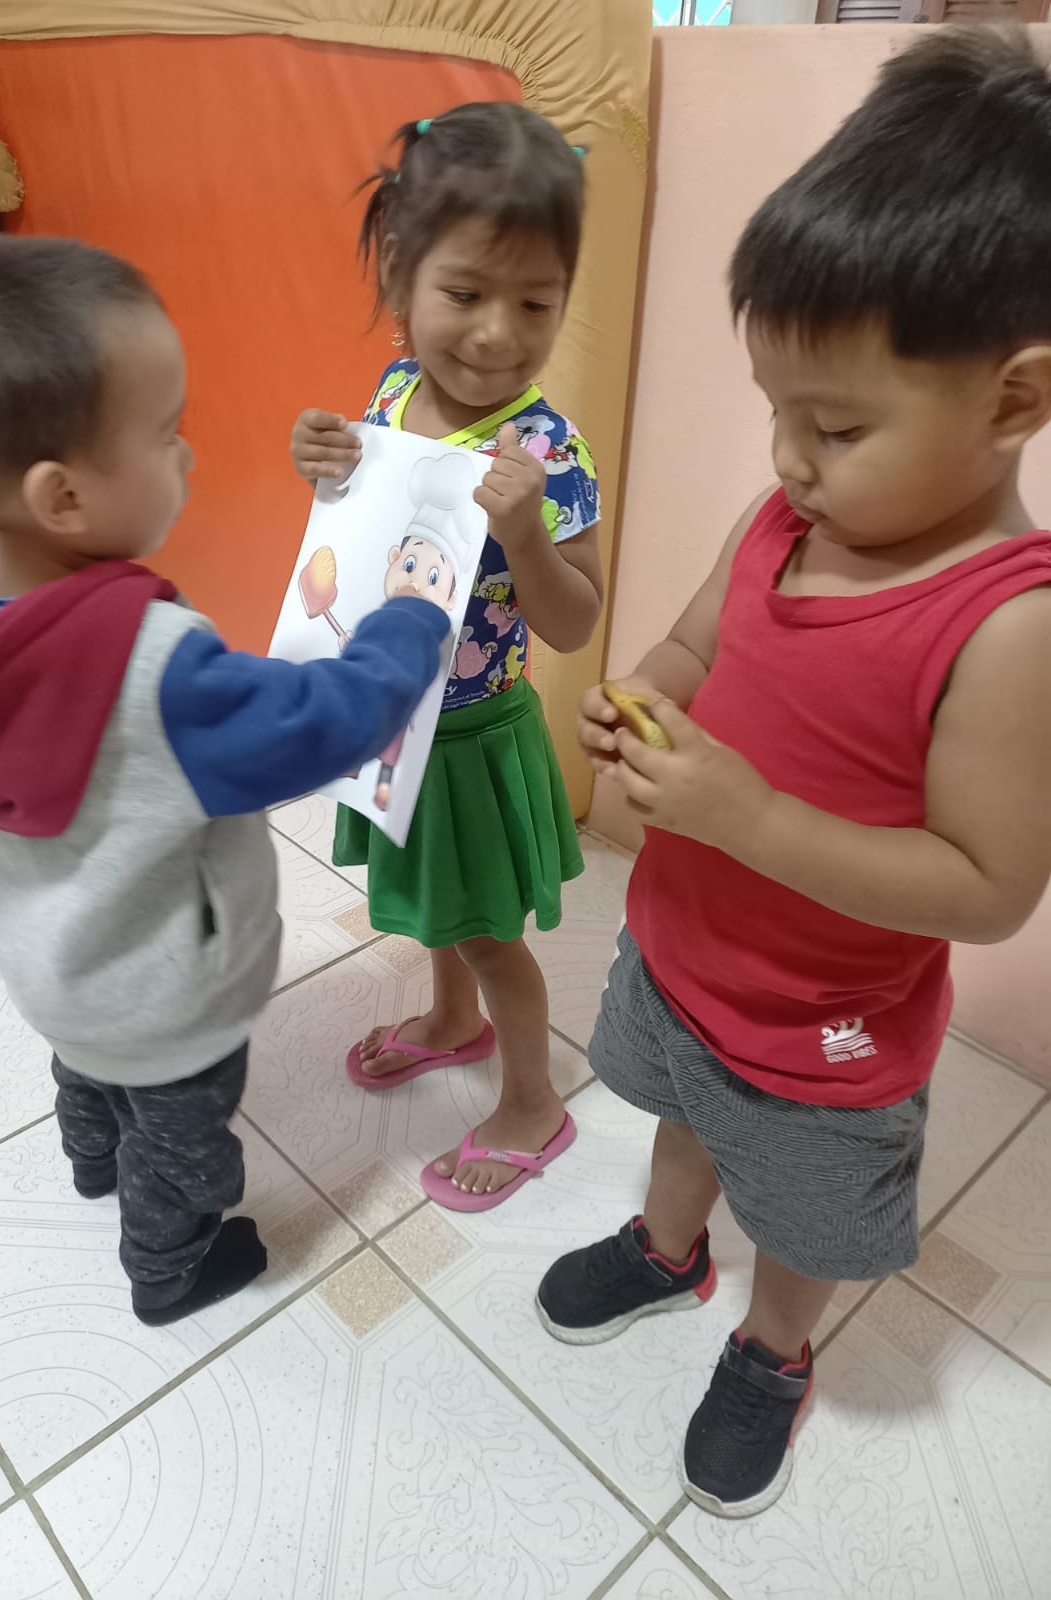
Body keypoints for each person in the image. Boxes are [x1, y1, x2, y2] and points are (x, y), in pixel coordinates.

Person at [537, 28, 1051, 1518]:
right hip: (685, 949)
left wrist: (748, 814)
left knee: (807, 1196)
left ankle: (773, 1347)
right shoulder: (783, 524)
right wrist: (643, 695)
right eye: (775, 409)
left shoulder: (1009, 626)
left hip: (832, 1026)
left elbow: (988, 889)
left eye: (834, 425)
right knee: (682, 1109)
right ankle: (666, 1251)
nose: (790, 458)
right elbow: (698, 640)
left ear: (1012, 399)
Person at [0, 232, 451, 1325]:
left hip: (53, 966)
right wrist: (408, 620)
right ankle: (169, 1266)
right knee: (182, 1140)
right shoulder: (155, 669)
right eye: (166, 433)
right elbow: (322, 723)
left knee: (88, 1070)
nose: (188, 453)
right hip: (165, 999)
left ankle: (90, 1158)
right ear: (63, 497)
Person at [290, 103, 604, 1210]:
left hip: (473, 737)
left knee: (487, 932)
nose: (497, 334)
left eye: (536, 303)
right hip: (398, 721)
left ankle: (533, 1102)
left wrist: (526, 534)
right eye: (465, 294)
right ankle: (451, 1020)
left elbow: (575, 622)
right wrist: (325, 463)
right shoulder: (390, 394)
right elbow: (361, 529)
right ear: (400, 278)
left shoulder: (550, 450)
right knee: (443, 913)